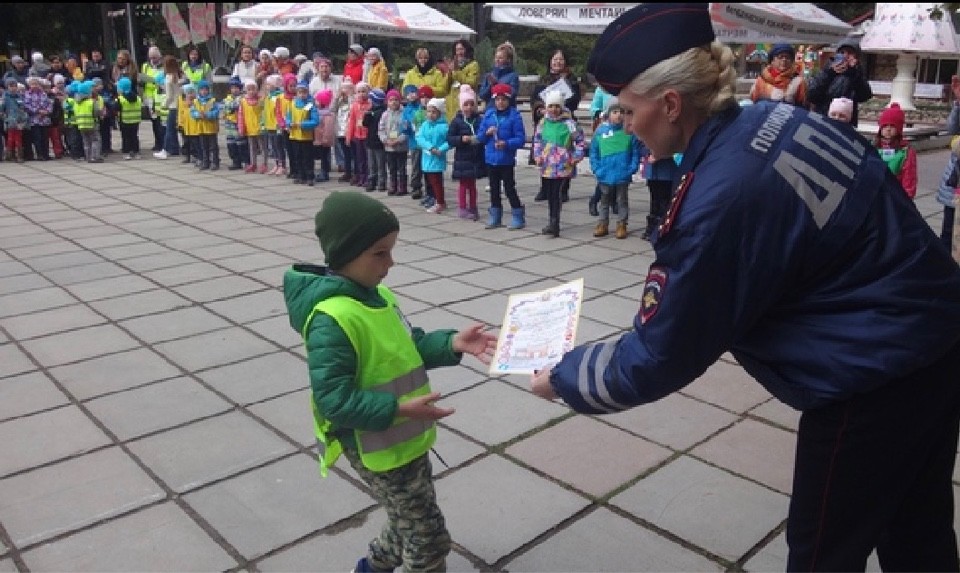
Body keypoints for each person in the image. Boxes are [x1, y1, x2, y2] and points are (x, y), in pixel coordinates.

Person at [529, 4, 960, 571]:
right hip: (935, 335)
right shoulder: (777, 119)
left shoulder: (718, 198)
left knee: (823, 553)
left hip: (870, 378)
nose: (625, 124)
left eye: (629, 110)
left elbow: (664, 349)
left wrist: (564, 377)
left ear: (671, 104)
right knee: (919, 531)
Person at [282, 191, 496, 573]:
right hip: (374, 445)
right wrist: (397, 408)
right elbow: (333, 400)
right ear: (346, 254)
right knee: (428, 538)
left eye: (391, 251)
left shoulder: (378, 296)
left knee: (406, 520)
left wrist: (452, 343)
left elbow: (407, 345)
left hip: (404, 437)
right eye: (380, 253)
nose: (390, 263)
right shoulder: (332, 319)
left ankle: (371, 567)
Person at [532, 90, 586, 237]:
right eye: (551, 106)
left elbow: (580, 141)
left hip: (563, 164)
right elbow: (537, 141)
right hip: (547, 164)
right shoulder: (543, 123)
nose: (554, 109)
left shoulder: (569, 124)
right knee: (549, 193)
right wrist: (537, 155)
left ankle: (555, 223)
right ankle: (552, 220)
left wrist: (576, 156)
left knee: (556, 193)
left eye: (557, 106)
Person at [476, 83, 526, 230]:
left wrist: (507, 143)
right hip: (491, 159)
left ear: (509, 100)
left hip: (506, 160)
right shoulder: (489, 115)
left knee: (509, 188)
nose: (500, 102)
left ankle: (518, 214)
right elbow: (480, 137)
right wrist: (487, 133)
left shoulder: (514, 116)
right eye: (497, 99)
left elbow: (520, 139)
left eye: (504, 99)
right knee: (494, 189)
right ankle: (495, 215)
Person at [589, 97, 641, 239]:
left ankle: (622, 223)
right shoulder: (600, 133)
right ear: (608, 114)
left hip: (622, 173)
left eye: (621, 112)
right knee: (604, 200)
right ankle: (603, 223)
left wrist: (631, 168)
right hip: (605, 174)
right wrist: (597, 169)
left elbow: (635, 152)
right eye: (615, 112)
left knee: (622, 200)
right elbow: (594, 152)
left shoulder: (629, 133)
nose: (619, 115)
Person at [806, 38, 872, 127]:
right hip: (824, 120)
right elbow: (811, 95)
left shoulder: (857, 74)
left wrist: (854, 73)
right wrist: (830, 73)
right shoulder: (827, 70)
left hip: (846, 123)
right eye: (842, 52)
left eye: (850, 53)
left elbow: (865, 96)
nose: (845, 56)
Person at [447, 84, 486, 221]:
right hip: (462, 158)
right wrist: (460, 139)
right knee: (463, 184)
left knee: (473, 185)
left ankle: (473, 206)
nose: (469, 107)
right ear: (461, 106)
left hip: (475, 157)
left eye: (471, 104)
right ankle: (462, 207)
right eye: (465, 104)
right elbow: (450, 138)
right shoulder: (456, 121)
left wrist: (480, 138)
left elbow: (483, 134)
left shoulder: (479, 120)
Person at [415, 97, 450, 214]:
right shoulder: (425, 125)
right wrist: (429, 147)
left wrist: (440, 149)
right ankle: (434, 198)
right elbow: (419, 137)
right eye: (429, 111)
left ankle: (440, 202)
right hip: (427, 157)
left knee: (436, 181)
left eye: (434, 112)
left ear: (440, 113)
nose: (430, 114)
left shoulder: (443, 127)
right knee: (430, 181)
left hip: (437, 158)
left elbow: (449, 141)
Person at [874, 103, 917, 200]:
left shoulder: (906, 152)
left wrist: (906, 199)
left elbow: (909, 178)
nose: (888, 129)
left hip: (895, 197)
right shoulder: (874, 148)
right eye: (885, 126)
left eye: (892, 126)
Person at [378, 88, 410, 195]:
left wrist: (398, 140)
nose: (393, 102)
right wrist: (385, 140)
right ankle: (393, 185)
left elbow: (406, 130)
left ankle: (402, 186)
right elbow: (381, 129)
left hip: (401, 147)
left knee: (401, 168)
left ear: (400, 101)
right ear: (387, 102)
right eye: (391, 100)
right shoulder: (385, 115)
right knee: (392, 168)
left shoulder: (404, 114)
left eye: (396, 99)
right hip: (389, 147)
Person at [286, 80, 319, 186]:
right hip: (295, 136)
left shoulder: (310, 105)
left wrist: (303, 124)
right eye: (300, 92)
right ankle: (300, 175)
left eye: (304, 92)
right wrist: (289, 123)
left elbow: (315, 121)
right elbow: (288, 116)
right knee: (297, 157)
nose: (302, 94)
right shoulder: (293, 103)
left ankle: (310, 176)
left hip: (306, 137)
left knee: (308, 157)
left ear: (307, 92)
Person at [443, 39, 479, 121]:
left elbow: (471, 83)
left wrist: (456, 71)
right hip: (451, 106)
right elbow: (445, 87)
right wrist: (449, 72)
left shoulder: (473, 65)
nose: (459, 52)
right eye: (457, 50)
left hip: (466, 106)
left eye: (461, 49)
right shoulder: (452, 65)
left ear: (467, 50)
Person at [477, 42, 520, 110]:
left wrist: (496, 84)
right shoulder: (489, 75)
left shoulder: (513, 76)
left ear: (508, 60)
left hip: (507, 112)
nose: (497, 60)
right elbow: (482, 95)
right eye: (496, 57)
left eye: (500, 58)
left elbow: (512, 94)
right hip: (491, 111)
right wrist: (490, 86)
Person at [346, 82, 373, 188]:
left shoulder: (370, 105)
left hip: (367, 136)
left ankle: (368, 177)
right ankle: (361, 177)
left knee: (368, 158)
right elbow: (352, 121)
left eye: (363, 91)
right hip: (357, 135)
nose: (361, 94)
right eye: (359, 92)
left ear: (368, 92)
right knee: (359, 158)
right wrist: (349, 136)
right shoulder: (354, 105)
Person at [190, 79, 221, 170]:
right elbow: (192, 112)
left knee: (213, 146)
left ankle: (215, 162)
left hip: (211, 128)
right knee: (204, 146)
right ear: (199, 91)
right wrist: (198, 115)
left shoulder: (212, 101)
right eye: (202, 90)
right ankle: (205, 162)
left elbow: (216, 112)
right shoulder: (196, 101)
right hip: (201, 128)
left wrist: (207, 115)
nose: (204, 91)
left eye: (205, 89)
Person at [238, 78, 267, 174]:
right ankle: (253, 163)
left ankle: (264, 164)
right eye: (249, 89)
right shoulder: (243, 101)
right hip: (249, 128)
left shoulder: (261, 100)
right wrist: (241, 128)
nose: (251, 91)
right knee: (252, 147)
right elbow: (241, 116)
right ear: (246, 90)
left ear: (256, 89)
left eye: (253, 89)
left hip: (260, 128)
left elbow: (264, 113)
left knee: (262, 147)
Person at [155, 55, 182, 159]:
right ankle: (174, 149)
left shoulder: (168, 78)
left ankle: (165, 150)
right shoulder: (178, 75)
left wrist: (164, 105)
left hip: (172, 106)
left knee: (169, 129)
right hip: (179, 104)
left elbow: (169, 96)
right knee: (174, 129)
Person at [141, 46, 166, 153]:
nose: (153, 60)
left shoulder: (163, 65)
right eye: (151, 57)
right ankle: (157, 142)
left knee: (161, 121)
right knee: (154, 121)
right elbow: (142, 79)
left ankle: (163, 143)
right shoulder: (145, 66)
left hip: (160, 95)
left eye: (155, 57)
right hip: (149, 96)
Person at [363, 88, 388, 192]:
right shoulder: (371, 111)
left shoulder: (383, 112)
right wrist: (367, 115)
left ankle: (382, 181)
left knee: (380, 163)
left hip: (379, 142)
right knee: (371, 164)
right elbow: (365, 124)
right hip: (370, 141)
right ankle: (372, 180)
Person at [22, 76, 53, 161]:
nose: (35, 86)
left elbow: (49, 104)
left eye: (36, 84)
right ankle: (39, 154)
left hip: (44, 120)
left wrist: (46, 111)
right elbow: (27, 106)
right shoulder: (27, 94)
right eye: (33, 84)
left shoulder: (43, 94)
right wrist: (38, 111)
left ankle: (46, 154)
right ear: (29, 85)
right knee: (37, 138)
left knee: (45, 138)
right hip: (34, 120)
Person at [221, 76, 247, 171]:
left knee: (241, 144)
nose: (234, 90)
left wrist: (229, 107)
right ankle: (235, 162)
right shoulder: (227, 98)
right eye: (232, 88)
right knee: (231, 145)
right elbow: (224, 108)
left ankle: (245, 161)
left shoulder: (242, 98)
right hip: (229, 126)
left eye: (236, 88)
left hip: (238, 125)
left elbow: (235, 105)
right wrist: (229, 107)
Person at [2, 77, 30, 162]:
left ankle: (19, 155)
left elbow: (22, 108)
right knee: (10, 139)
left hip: (19, 121)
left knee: (18, 139)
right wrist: (6, 119)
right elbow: (2, 110)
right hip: (10, 121)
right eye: (11, 86)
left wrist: (23, 119)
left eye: (15, 86)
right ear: (7, 87)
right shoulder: (5, 97)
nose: (13, 88)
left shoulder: (19, 97)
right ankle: (10, 155)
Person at [334, 77, 356, 183]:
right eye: (343, 88)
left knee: (353, 153)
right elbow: (333, 109)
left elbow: (352, 109)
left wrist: (351, 96)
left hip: (350, 130)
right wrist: (337, 98)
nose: (345, 91)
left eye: (348, 89)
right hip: (341, 130)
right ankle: (348, 172)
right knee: (345, 153)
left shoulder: (354, 100)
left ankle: (355, 172)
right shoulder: (340, 101)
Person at [263, 74, 286, 175]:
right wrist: (263, 122)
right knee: (273, 146)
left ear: (275, 85)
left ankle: (282, 165)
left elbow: (280, 111)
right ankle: (276, 164)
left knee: (279, 146)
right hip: (269, 125)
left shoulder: (279, 96)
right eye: (267, 84)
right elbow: (266, 111)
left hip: (277, 125)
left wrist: (280, 123)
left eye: (269, 84)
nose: (267, 86)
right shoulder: (268, 96)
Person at [115, 76, 142, 160]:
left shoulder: (121, 99)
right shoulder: (137, 98)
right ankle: (136, 152)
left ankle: (126, 152)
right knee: (134, 136)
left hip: (125, 120)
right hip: (135, 120)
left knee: (126, 137)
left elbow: (116, 108)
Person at [313, 88, 336, 183]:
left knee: (324, 157)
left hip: (324, 140)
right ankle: (322, 171)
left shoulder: (327, 115)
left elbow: (328, 130)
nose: (316, 102)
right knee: (321, 156)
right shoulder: (318, 113)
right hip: (318, 139)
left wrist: (326, 139)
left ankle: (324, 172)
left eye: (317, 100)